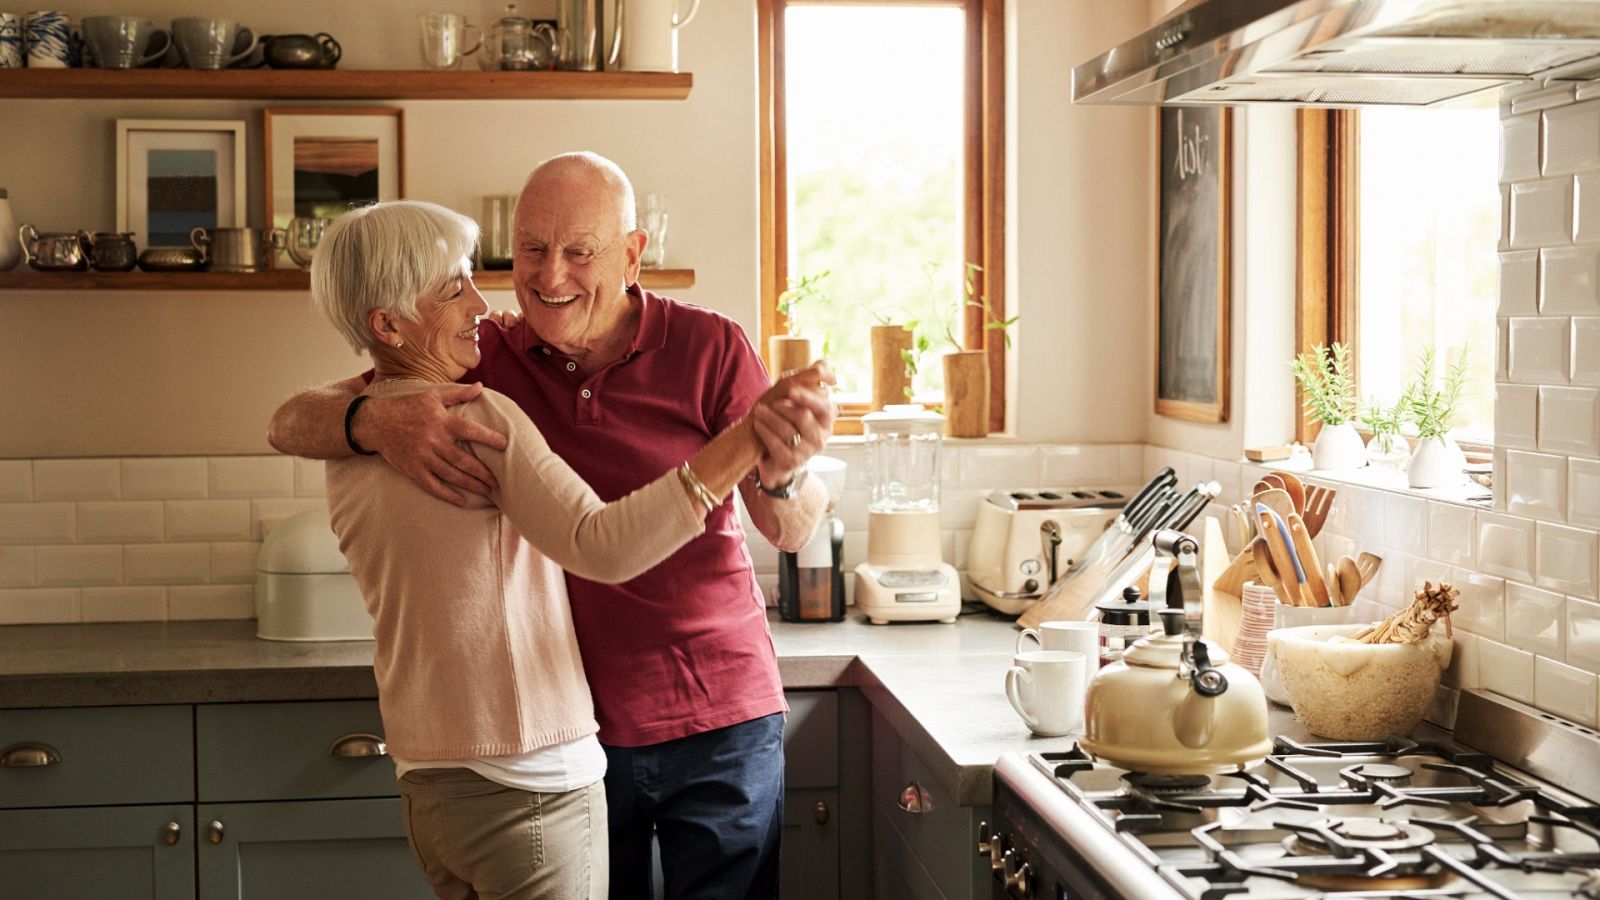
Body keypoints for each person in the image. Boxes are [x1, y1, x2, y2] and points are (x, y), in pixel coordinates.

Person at [269, 153, 835, 899]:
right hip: (573, 733)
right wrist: (371, 418)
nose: (550, 275)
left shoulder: (710, 346)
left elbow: (787, 528)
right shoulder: (482, 357)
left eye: (579, 251)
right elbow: (288, 420)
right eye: (532, 248)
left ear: (632, 254)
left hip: (717, 713)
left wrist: (787, 468)